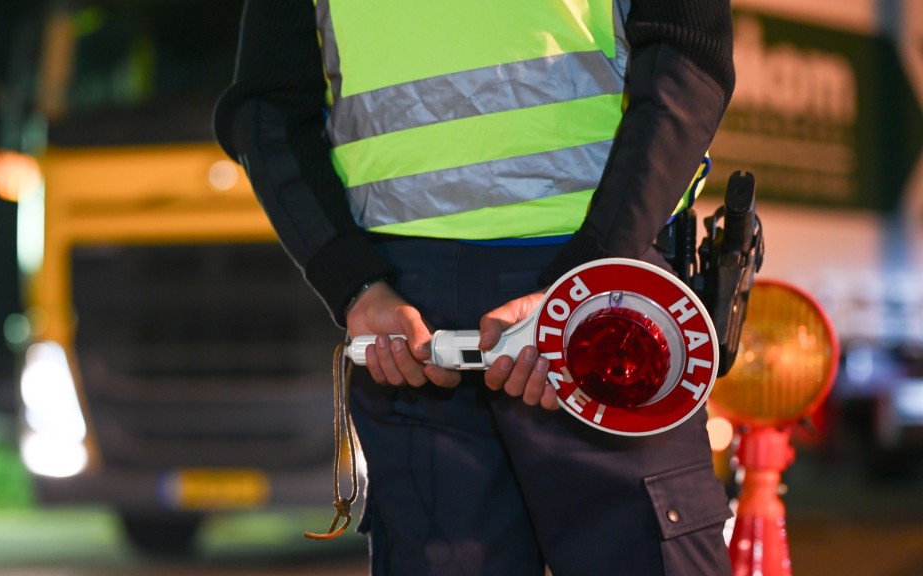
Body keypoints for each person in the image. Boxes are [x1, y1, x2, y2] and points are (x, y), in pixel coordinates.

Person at [215, 1, 736, 574]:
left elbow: (266, 108)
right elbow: (688, 58)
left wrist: (356, 283)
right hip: (592, 292)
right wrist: (588, 279)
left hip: (416, 310)